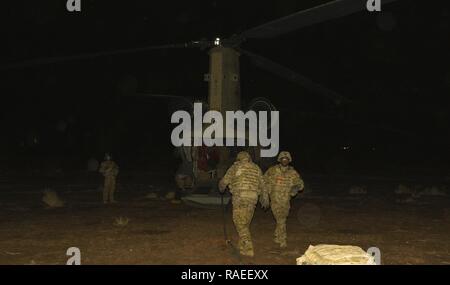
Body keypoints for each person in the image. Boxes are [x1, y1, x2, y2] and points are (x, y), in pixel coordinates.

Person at [219, 151, 269, 257]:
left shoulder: (235, 167)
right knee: (245, 223)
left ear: (238, 159)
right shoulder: (256, 168)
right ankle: (242, 247)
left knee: (240, 223)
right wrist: (265, 198)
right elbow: (263, 184)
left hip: (240, 198)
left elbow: (224, 181)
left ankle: (248, 248)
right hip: (253, 199)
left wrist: (221, 187)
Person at [264, 151, 304, 248]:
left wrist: (294, 189)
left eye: (286, 159)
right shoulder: (272, 170)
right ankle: (282, 239)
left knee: (282, 219)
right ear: (280, 159)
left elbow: (301, 185)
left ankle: (278, 236)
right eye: (283, 158)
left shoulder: (293, 172)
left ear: (289, 160)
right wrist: (265, 195)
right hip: (275, 200)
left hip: (286, 201)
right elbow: (264, 181)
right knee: (281, 219)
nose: (285, 160)